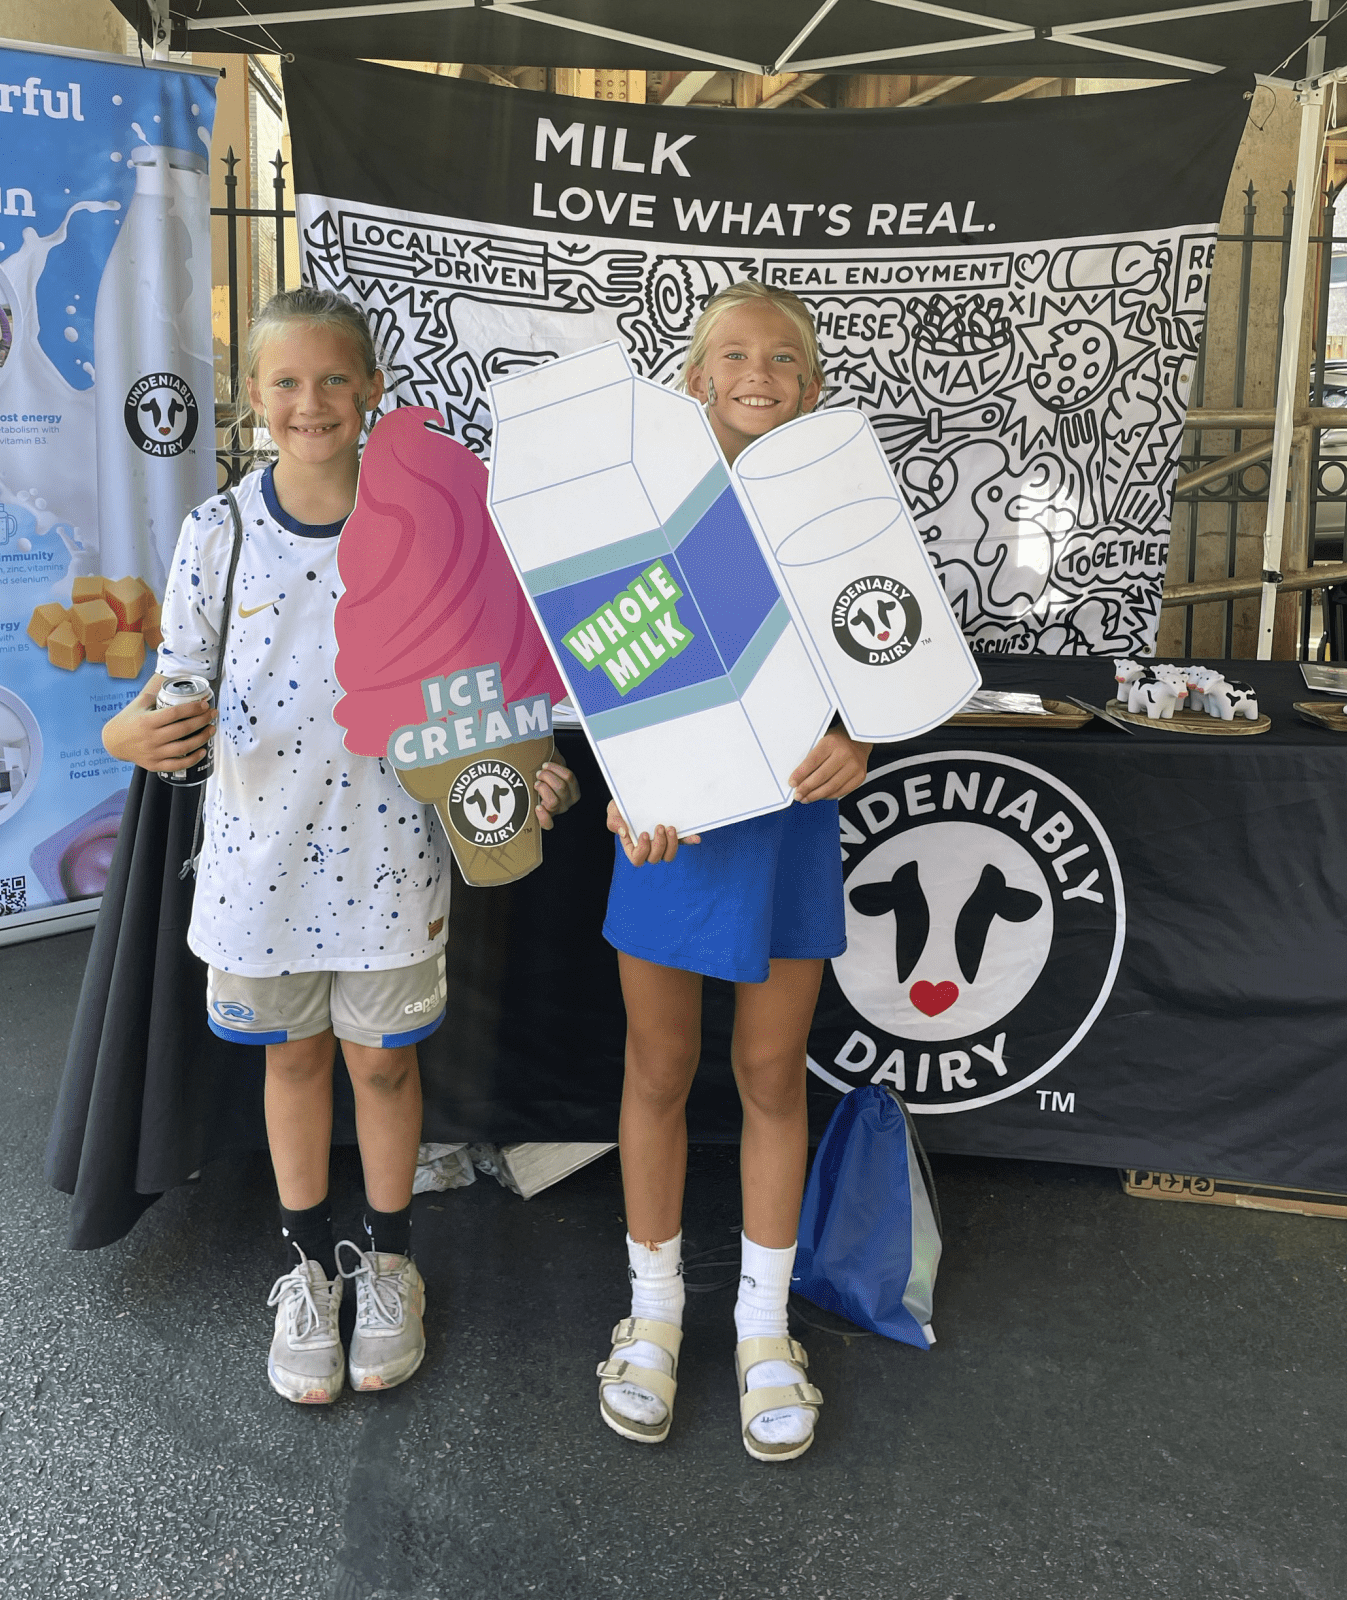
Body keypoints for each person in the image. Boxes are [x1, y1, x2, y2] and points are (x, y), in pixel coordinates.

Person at [103, 287, 579, 1407]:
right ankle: (309, 1268)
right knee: (296, 1059)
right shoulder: (216, 532)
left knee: (382, 1060)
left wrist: (528, 766)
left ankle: (392, 1260)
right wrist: (133, 732)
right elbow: (170, 688)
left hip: (392, 856)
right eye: (285, 382)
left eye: (332, 380)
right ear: (254, 396)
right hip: (259, 857)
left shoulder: (433, 526)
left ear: (370, 390)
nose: (309, 402)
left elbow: (502, 679)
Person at [595, 281, 872, 1464]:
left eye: (785, 358)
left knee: (770, 1072)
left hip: (793, 824)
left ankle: (764, 1324)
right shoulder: (643, 508)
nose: (759, 373)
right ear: (695, 377)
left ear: (810, 385)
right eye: (735, 355)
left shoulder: (841, 511)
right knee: (657, 1068)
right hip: (673, 826)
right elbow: (606, 655)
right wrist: (624, 783)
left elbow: (882, 635)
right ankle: (653, 1312)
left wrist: (861, 731)